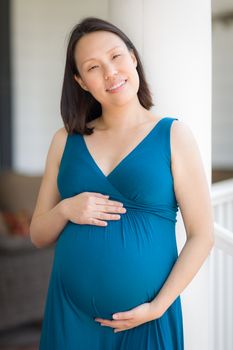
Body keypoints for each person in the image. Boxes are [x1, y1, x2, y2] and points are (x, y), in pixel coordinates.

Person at [30, 16, 215, 350]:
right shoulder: (64, 140)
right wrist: (66, 209)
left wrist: (157, 307)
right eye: (93, 67)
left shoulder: (173, 136)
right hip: (70, 317)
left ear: (132, 57)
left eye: (116, 57)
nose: (110, 73)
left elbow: (202, 235)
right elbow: (38, 234)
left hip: (145, 319)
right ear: (81, 82)